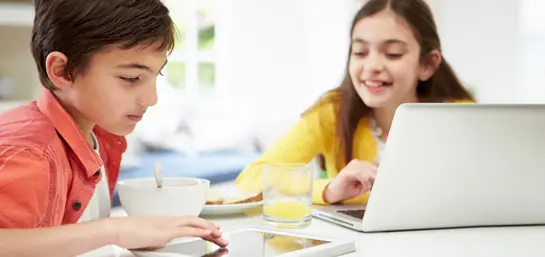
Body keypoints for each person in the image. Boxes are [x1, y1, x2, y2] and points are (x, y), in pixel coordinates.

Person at [0, 0, 227, 255]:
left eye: (156, 76)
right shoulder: (30, 154)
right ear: (62, 71)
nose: (152, 99)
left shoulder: (100, 135)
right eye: (130, 78)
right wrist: (114, 232)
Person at [235, 0, 475, 205]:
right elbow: (251, 180)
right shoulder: (332, 112)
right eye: (360, 52)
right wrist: (329, 190)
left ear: (427, 65)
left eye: (392, 54)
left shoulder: (462, 117)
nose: (371, 66)